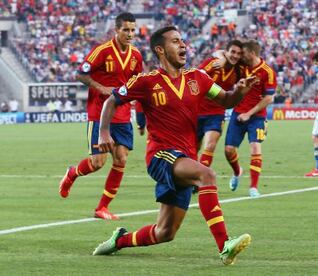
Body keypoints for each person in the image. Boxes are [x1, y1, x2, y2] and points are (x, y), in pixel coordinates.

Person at [93, 26, 257, 265]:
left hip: (184, 158)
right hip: (161, 156)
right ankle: (225, 245)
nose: (183, 46)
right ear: (160, 49)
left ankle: (119, 241)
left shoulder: (198, 78)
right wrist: (104, 131)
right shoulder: (147, 81)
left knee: (164, 232)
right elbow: (112, 100)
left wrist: (240, 92)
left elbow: (226, 99)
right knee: (207, 174)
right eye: (175, 42)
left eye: (183, 41)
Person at [58, 12, 143, 220]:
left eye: (133, 30)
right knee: (97, 163)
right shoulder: (102, 51)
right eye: (126, 30)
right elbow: (80, 74)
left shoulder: (136, 56)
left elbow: (138, 83)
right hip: (99, 113)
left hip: (122, 114)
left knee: (121, 159)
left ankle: (102, 208)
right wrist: (100, 87)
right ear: (116, 30)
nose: (130, 34)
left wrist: (141, 112)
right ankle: (72, 173)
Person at [224, 40, 277, 198]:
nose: (241, 56)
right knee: (228, 150)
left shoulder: (267, 71)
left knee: (255, 147)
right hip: (237, 113)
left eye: (244, 53)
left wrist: (249, 113)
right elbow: (222, 53)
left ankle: (253, 187)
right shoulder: (241, 65)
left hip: (257, 117)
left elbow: (269, 98)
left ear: (252, 53)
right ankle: (237, 171)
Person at [197, 40, 244, 168]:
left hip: (216, 113)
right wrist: (221, 56)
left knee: (210, 145)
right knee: (193, 149)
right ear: (226, 51)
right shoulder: (214, 62)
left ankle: (201, 180)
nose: (235, 55)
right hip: (197, 111)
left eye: (239, 53)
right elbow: (196, 77)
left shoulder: (239, 70)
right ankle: (190, 178)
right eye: (232, 52)